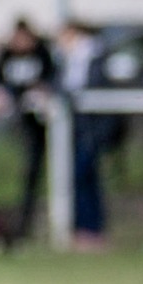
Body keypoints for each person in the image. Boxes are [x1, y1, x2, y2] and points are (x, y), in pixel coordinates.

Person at [57, 21, 117, 250]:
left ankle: (91, 229)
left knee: (85, 178)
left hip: (93, 131)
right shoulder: (66, 60)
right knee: (81, 179)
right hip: (74, 130)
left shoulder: (97, 58)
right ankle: (86, 230)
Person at [0, 19, 55, 239]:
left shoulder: (44, 55)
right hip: (20, 127)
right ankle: (19, 225)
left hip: (43, 126)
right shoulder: (6, 55)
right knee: (23, 176)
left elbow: (51, 81)